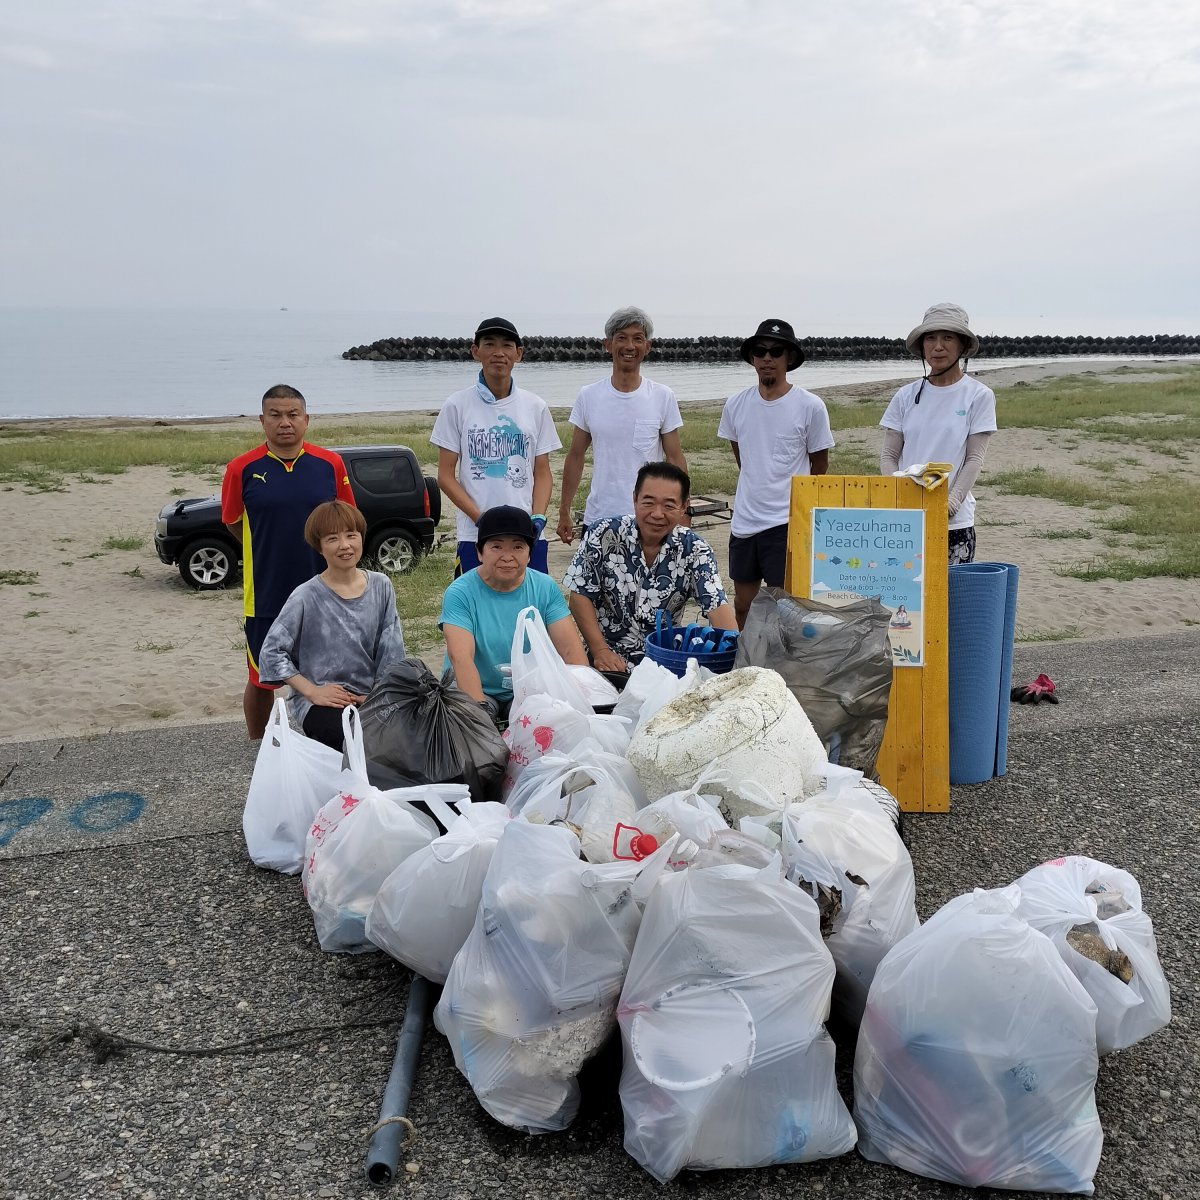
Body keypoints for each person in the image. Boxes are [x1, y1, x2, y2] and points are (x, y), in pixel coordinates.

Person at [222, 384, 356, 739]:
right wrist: (265, 546)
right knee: (263, 677)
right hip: (266, 590)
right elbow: (233, 521)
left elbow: (347, 520)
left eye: (293, 415)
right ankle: (258, 743)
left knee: (328, 672)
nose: (285, 423)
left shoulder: (330, 463)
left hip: (325, 589)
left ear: (306, 420)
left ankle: (330, 739)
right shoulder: (241, 468)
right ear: (262, 420)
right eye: (276, 415)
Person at [258, 500, 406, 751]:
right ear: (319, 547)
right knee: (354, 741)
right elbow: (271, 653)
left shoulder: (381, 585)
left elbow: (391, 651)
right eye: (332, 539)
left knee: (409, 738)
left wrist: (379, 696)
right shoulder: (306, 595)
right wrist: (312, 692)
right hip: (322, 702)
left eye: (351, 535)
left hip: (371, 696)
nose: (345, 545)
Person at [563, 462, 736, 673]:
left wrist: (734, 653)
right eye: (648, 502)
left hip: (665, 663)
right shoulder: (603, 533)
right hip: (607, 660)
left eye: (669, 505)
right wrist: (600, 651)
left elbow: (717, 607)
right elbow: (579, 597)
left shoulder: (695, 549)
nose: (657, 514)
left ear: (684, 507)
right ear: (634, 499)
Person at [717, 319, 835, 627]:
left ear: (789, 358)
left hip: (785, 521)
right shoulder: (736, 405)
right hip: (745, 520)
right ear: (753, 358)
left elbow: (819, 466)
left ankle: (782, 666)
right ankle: (744, 660)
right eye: (760, 351)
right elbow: (743, 457)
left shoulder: (810, 406)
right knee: (742, 603)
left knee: (784, 605)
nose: (767, 358)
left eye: (776, 351)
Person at [430, 317, 560, 576]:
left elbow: (542, 472)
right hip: (475, 534)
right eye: (489, 344)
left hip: (527, 534)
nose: (498, 353)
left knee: (530, 610)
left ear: (518, 354)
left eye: (507, 345)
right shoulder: (457, 405)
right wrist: (481, 519)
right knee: (476, 611)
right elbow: (445, 476)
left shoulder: (536, 407)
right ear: (475, 351)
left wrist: (538, 516)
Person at [439, 506, 586, 720]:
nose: (507, 557)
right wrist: (480, 716)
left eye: (518, 547)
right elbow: (461, 659)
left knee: (549, 721)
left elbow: (571, 651)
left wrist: (584, 698)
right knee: (471, 729)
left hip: (527, 687)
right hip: (473, 685)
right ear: (480, 552)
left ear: (529, 554)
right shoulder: (460, 592)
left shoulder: (545, 587)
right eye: (496, 547)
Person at [556, 306, 687, 544]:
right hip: (599, 517)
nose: (630, 346)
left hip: (651, 519)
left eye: (638, 339)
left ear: (647, 347)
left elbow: (675, 458)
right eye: (622, 338)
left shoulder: (662, 396)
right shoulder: (589, 395)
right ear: (607, 344)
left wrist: (682, 512)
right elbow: (575, 456)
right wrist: (564, 510)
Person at [879, 303, 998, 565]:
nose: (938, 346)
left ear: (962, 345)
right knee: (904, 603)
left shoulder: (979, 395)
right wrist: (898, 493)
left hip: (954, 524)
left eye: (947, 337)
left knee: (950, 603)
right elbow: (888, 456)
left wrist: (951, 503)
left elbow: (974, 459)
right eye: (930, 338)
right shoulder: (905, 395)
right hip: (906, 521)